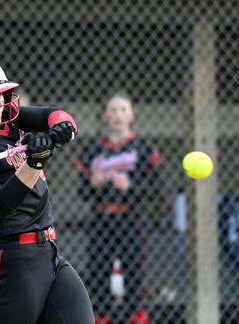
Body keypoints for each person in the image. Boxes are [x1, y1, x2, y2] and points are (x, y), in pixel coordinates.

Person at [0, 55, 94, 324]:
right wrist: (34, 163)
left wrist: (63, 129)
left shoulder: (8, 119)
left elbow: (54, 115)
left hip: (48, 254)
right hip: (10, 264)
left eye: (0, 95)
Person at [75, 93, 161, 324]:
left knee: (134, 271)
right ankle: (101, 317)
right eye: (112, 110)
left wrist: (130, 186)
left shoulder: (142, 148)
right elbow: (81, 192)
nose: (117, 115)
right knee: (98, 271)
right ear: (105, 115)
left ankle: (136, 317)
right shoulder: (92, 149)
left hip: (131, 217)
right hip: (101, 217)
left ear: (132, 115)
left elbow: (157, 189)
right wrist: (92, 184)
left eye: (123, 110)